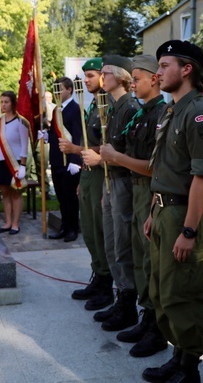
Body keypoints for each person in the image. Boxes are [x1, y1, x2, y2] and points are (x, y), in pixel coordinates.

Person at [141, 40, 203, 383]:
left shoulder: (199, 113)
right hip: (163, 212)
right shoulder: (171, 110)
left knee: (182, 295)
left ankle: (189, 370)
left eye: (164, 66)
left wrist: (189, 232)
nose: (157, 73)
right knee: (161, 291)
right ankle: (178, 357)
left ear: (186, 69)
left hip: (185, 215)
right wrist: (151, 212)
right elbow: (164, 170)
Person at [99, 55, 168, 358]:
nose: (134, 82)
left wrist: (115, 157)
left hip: (148, 190)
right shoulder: (141, 114)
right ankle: (145, 316)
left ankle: (157, 327)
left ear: (153, 79)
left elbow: (154, 167)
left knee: (151, 263)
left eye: (138, 77)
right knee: (139, 259)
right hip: (136, 189)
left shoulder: (159, 113)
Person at [83, 55, 141, 332]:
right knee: (111, 243)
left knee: (123, 244)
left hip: (122, 181)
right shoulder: (115, 107)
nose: (101, 77)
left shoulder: (129, 107)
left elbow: (127, 153)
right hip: (111, 180)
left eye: (106, 73)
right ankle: (120, 296)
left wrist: (102, 159)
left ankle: (128, 302)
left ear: (120, 77)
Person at [63, 58, 114, 311]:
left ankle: (107, 283)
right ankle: (98, 275)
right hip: (89, 174)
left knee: (102, 231)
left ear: (104, 76)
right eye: (86, 76)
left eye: (92, 75)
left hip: (103, 174)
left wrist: (76, 149)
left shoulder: (108, 104)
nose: (88, 80)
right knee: (91, 230)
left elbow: (108, 145)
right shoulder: (93, 103)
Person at [42, 77, 82, 242]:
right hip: (57, 160)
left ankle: (73, 229)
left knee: (71, 198)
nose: (57, 92)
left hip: (69, 161)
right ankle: (64, 227)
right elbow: (56, 134)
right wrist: (46, 135)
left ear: (69, 90)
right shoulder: (56, 110)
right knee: (61, 198)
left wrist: (76, 160)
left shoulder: (75, 109)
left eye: (60, 89)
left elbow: (78, 136)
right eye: (55, 89)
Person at [0, 90, 30, 235]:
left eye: (6, 102)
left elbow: (25, 145)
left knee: (16, 192)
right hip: (0, 162)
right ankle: (7, 222)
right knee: (5, 193)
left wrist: (23, 165)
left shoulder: (20, 122)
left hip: (16, 162)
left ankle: (15, 223)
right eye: (2, 102)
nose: (3, 105)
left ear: (13, 103)